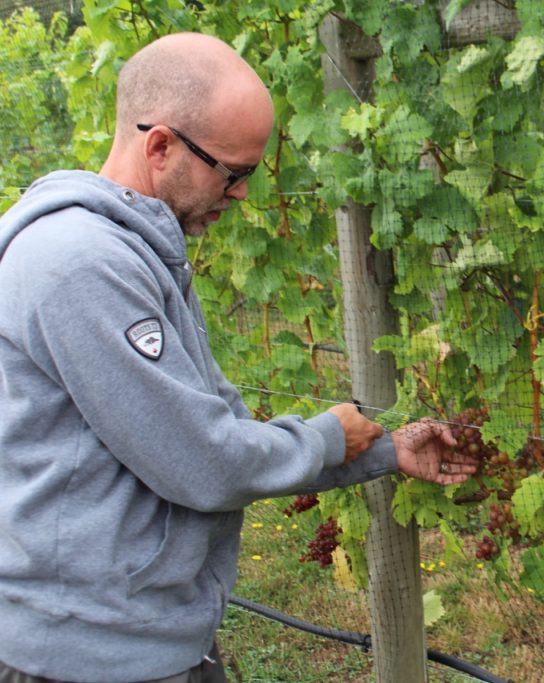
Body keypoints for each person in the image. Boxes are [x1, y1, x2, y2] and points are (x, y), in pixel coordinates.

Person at [0, 32, 477, 683]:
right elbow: (204, 461)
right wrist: (328, 439)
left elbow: (220, 428)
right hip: (87, 658)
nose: (243, 194)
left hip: (140, 638)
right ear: (161, 145)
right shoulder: (81, 264)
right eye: (234, 173)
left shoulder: (139, 254)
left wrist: (385, 449)